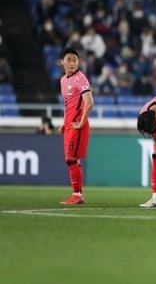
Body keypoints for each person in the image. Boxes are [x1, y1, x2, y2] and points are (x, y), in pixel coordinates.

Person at [58, 47, 94, 205]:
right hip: (69, 124)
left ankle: (77, 194)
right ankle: (78, 194)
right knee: (73, 160)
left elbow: (90, 103)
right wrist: (63, 122)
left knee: (71, 159)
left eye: (75, 60)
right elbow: (67, 105)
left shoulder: (81, 79)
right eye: (69, 59)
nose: (72, 63)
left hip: (77, 124)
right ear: (62, 62)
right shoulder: (63, 80)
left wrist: (81, 122)